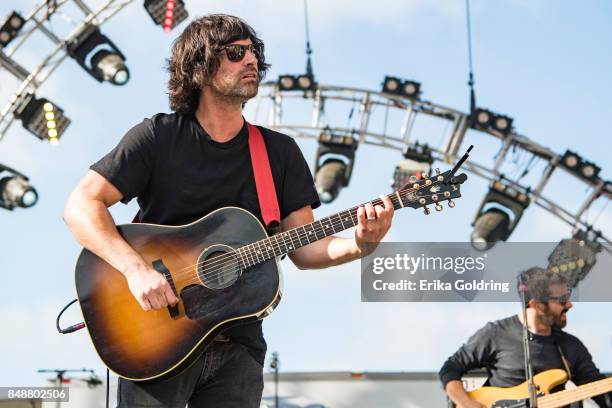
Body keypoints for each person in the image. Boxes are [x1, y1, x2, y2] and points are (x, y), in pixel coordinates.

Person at [62, 14, 394, 408]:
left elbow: (305, 248)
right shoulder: (157, 136)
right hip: (155, 341)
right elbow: (81, 206)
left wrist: (362, 243)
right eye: (237, 53)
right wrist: (136, 271)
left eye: (254, 52)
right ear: (200, 65)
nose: (251, 60)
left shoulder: (279, 153)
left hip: (239, 349)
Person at [439, 267, 612, 408]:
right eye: (562, 300)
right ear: (537, 305)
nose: (569, 305)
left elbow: (603, 395)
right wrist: (467, 403)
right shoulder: (496, 333)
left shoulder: (571, 346)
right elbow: (449, 369)